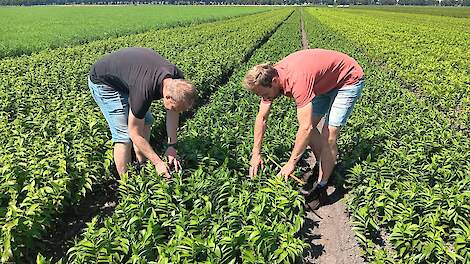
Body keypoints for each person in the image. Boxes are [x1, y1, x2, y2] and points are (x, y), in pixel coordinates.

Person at [243, 49, 365, 209]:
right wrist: (256, 154)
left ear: (274, 81)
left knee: (329, 134)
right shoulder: (269, 81)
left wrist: (291, 164)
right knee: (313, 125)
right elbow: (262, 117)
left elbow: (305, 128)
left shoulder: (297, 80)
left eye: (265, 94)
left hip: (347, 80)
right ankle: (323, 165)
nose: (264, 97)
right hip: (322, 83)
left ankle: (321, 186)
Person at [88, 47, 196, 177]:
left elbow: (173, 112)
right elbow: (134, 133)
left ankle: (142, 163)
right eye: (174, 107)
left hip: (129, 76)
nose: (174, 111)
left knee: (147, 121)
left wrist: (172, 146)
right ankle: (127, 184)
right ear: (167, 97)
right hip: (104, 82)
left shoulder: (177, 82)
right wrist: (158, 163)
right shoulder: (143, 91)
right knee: (124, 136)